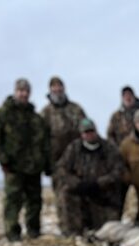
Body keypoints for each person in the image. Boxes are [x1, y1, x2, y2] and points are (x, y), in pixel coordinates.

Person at [0, 78, 50, 241]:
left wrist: (45, 163)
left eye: (26, 91)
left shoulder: (35, 118)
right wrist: (3, 159)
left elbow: (45, 143)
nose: (23, 94)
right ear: (15, 92)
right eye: (20, 91)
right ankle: (13, 232)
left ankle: (34, 230)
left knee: (34, 201)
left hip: (34, 167)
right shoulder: (3, 113)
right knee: (13, 201)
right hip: (13, 167)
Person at [55, 118, 127, 235]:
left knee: (107, 231)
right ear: (81, 134)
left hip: (103, 192)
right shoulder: (74, 148)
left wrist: (99, 183)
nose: (89, 134)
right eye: (86, 132)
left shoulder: (109, 148)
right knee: (66, 192)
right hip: (81, 190)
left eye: (91, 131)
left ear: (96, 131)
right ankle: (72, 231)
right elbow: (61, 168)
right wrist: (77, 183)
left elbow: (118, 171)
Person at [40, 76, 87, 232]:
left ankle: (83, 226)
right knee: (62, 196)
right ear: (50, 90)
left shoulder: (76, 109)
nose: (57, 90)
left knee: (81, 193)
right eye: (54, 87)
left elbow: (87, 131)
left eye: (60, 87)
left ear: (64, 88)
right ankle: (66, 229)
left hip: (78, 161)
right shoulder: (45, 113)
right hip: (57, 163)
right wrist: (46, 163)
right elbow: (41, 140)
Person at [107, 85, 139, 217]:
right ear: (122, 98)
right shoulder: (116, 116)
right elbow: (110, 136)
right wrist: (116, 152)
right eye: (125, 96)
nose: (127, 98)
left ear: (133, 97)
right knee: (119, 193)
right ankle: (116, 219)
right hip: (122, 162)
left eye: (130, 95)